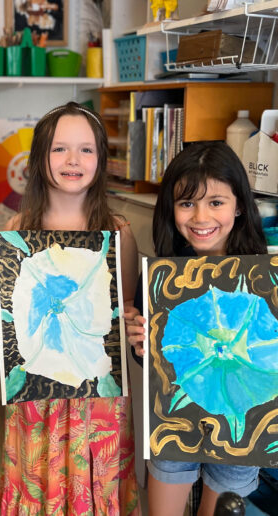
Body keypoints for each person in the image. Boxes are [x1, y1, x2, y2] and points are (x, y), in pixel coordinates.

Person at [0, 101, 141, 514]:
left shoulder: (118, 232)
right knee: (38, 485)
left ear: (100, 159)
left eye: (85, 149)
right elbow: (12, 318)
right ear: (41, 157)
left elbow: (122, 310)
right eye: (60, 149)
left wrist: (131, 321)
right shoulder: (15, 232)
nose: (73, 160)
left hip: (97, 402)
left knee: (93, 489)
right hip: (36, 396)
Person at [126, 141, 267, 516]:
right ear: (171, 210)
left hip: (240, 428)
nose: (201, 216)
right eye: (187, 203)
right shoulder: (160, 278)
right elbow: (153, 365)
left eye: (216, 202)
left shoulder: (263, 282)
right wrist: (140, 346)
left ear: (239, 205)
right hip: (176, 420)